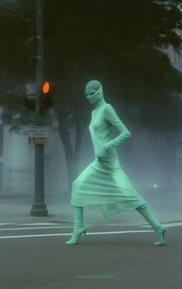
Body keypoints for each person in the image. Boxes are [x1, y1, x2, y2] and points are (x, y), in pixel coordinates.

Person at [65, 80, 167, 246]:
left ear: (100, 91)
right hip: (98, 162)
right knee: (77, 185)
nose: (88, 97)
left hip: (111, 164)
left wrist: (107, 145)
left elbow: (126, 133)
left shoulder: (107, 109)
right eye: (86, 94)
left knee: (130, 195)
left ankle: (158, 227)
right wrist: (101, 150)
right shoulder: (93, 113)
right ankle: (79, 227)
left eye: (91, 93)